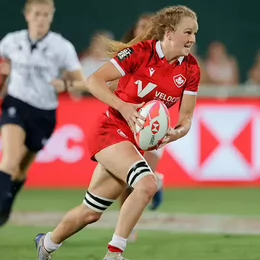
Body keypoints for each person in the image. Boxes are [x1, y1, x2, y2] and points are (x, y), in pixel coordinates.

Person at [35, 5, 200, 260]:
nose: (192, 39)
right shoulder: (140, 53)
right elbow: (93, 81)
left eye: (195, 33)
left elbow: (187, 117)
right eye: (187, 32)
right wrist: (124, 107)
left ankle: (47, 243)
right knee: (147, 183)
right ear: (168, 32)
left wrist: (176, 133)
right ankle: (114, 254)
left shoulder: (190, 68)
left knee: (91, 212)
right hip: (111, 131)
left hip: (137, 142)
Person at [0, 0, 85, 226]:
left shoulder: (62, 47)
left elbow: (81, 83)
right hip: (16, 103)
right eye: (37, 14)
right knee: (9, 161)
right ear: (27, 15)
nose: (41, 19)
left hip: (45, 112)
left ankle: (6, 203)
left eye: (46, 14)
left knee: (20, 171)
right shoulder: (10, 41)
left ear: (52, 16)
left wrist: (66, 86)